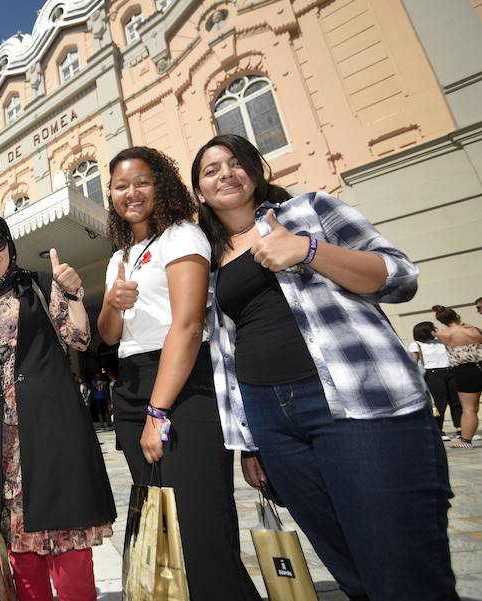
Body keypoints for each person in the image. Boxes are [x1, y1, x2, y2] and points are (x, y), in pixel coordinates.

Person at [193, 133, 457, 600]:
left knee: (401, 565)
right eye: (211, 170)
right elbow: (226, 354)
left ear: (255, 169)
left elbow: (399, 277)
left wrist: (308, 250)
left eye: (235, 162)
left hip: (358, 400)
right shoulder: (212, 261)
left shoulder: (309, 210)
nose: (225, 174)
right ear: (200, 191)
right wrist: (249, 442)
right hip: (271, 419)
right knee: (345, 562)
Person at [97, 146, 260, 601]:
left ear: (161, 184)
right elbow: (108, 336)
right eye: (121, 185)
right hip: (130, 384)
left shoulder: (182, 235)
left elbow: (188, 326)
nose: (131, 192)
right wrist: (112, 302)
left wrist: (159, 410)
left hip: (181, 385)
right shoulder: (119, 257)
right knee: (162, 523)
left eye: (142, 181)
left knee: (200, 526)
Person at [0, 211, 115, 601]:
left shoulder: (41, 285)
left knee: (72, 561)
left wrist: (73, 291)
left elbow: (79, 338)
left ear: (9, 245)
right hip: (4, 450)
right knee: (23, 566)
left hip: (55, 436)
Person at [432, 304, 482, 448]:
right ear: (457, 316)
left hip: (464, 371)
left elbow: (428, 333)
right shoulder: (472, 330)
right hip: (480, 363)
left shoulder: (443, 334)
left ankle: (465, 440)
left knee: (469, 409)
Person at [410, 321, 461, 439]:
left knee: (456, 401)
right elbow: (413, 361)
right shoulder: (416, 344)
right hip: (433, 373)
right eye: (433, 328)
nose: (436, 329)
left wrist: (439, 334)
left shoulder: (440, 341)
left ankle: (460, 429)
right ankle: (439, 430)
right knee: (439, 403)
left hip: (450, 371)